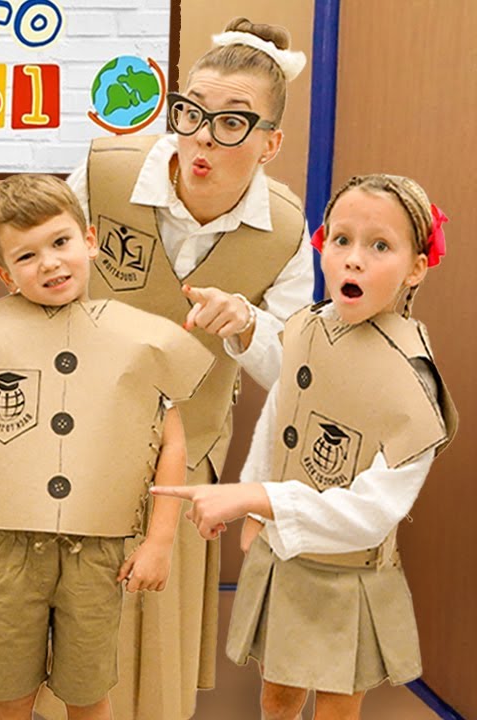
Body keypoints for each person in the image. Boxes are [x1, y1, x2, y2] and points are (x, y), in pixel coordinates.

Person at [50, 17, 313, 720]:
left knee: (153, 631)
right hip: (75, 437)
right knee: (71, 629)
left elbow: (294, 367)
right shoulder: (105, 175)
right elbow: (40, 270)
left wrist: (247, 324)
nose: (202, 138)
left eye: (232, 123)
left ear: (270, 142)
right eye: (191, 112)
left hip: (188, 449)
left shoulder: (287, 231)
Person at [0, 174, 214, 720]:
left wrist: (159, 541)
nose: (50, 263)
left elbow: (171, 442)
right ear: (5, 275)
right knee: (9, 695)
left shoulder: (137, 337)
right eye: (26, 256)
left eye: (60, 242)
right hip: (8, 548)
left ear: (90, 239)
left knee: (87, 694)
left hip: (96, 549)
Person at [153, 173, 457, 720]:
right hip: (287, 556)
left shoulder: (412, 381)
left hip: (348, 574)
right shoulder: (312, 326)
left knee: (337, 703)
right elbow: (284, 412)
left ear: (416, 267)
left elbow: (371, 513)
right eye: (341, 240)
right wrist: (243, 318)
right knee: (277, 692)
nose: (353, 260)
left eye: (380, 246)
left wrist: (256, 499)